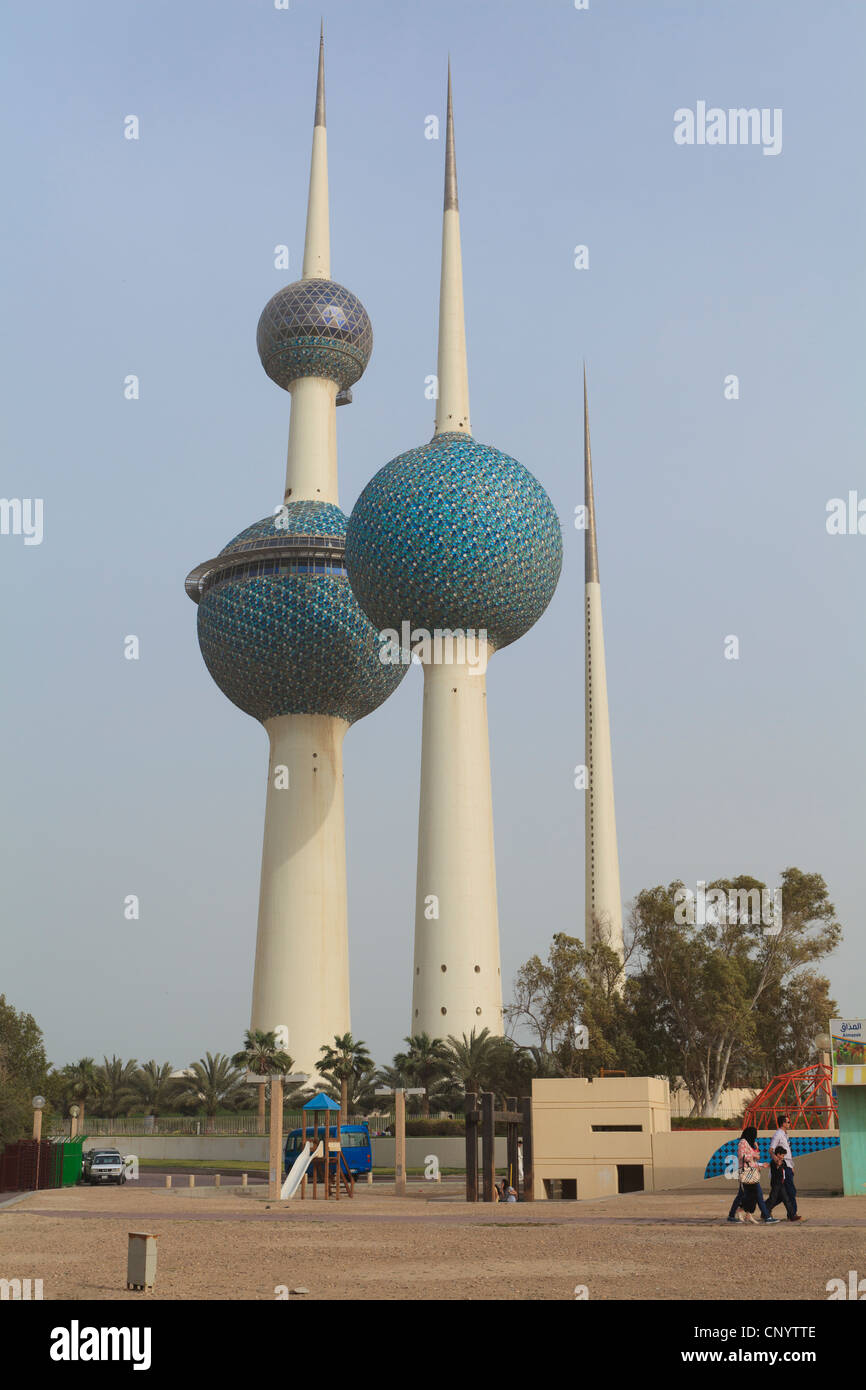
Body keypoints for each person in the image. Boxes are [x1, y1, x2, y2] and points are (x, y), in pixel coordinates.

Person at [727, 1126, 779, 1224]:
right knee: (758, 1194)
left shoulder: (749, 1143)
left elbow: (754, 1158)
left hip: (751, 1172)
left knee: (741, 1195)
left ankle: (732, 1215)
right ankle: (767, 1216)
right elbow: (742, 1156)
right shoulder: (743, 1142)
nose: (755, 1136)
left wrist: (756, 1149)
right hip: (747, 1172)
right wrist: (754, 1155)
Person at [768, 1113, 802, 1221]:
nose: (789, 1123)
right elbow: (771, 1150)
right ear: (783, 1123)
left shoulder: (785, 1135)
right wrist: (777, 1161)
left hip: (788, 1165)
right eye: (788, 1122)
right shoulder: (778, 1134)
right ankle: (793, 1214)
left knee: (783, 1193)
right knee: (790, 1191)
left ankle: (766, 1207)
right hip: (783, 1166)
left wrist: (791, 1166)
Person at [767, 1146, 805, 1221]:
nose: (783, 1157)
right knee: (772, 1199)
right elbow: (775, 1171)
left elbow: (783, 1169)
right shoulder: (773, 1162)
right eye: (782, 1155)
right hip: (776, 1184)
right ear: (778, 1154)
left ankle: (792, 1216)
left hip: (781, 1184)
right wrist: (778, 1165)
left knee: (786, 1199)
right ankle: (765, 1213)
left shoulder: (783, 1162)